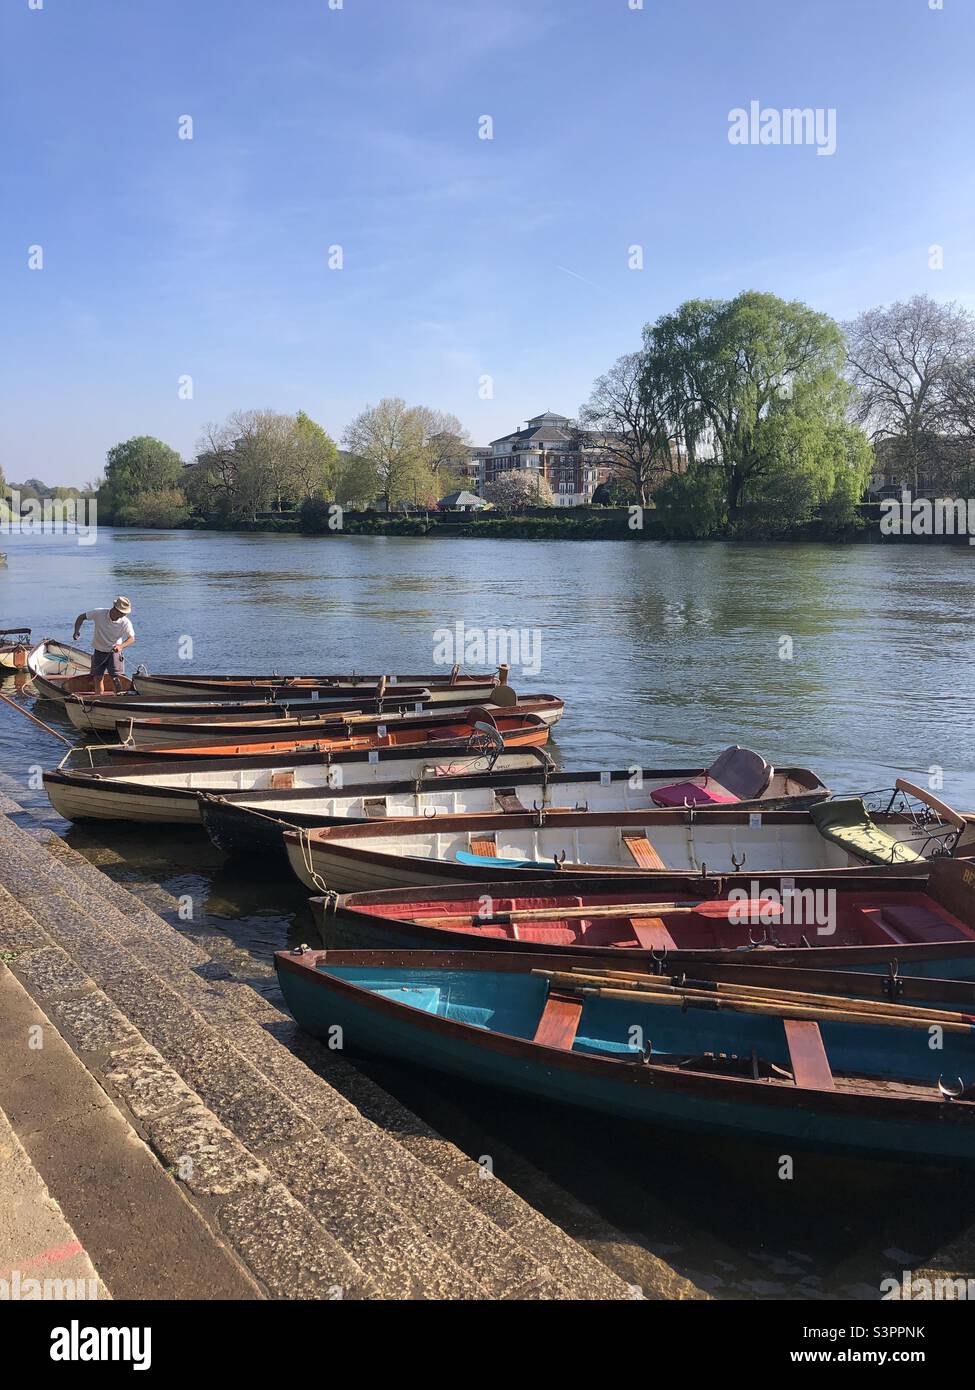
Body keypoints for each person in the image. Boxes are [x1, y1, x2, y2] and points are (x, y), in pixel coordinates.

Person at [72, 597, 136, 694]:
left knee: (115, 678)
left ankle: (118, 699)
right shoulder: (99, 613)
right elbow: (81, 617)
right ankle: (98, 699)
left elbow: (132, 638)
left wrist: (120, 646)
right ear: (115, 608)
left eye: (125, 613)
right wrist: (76, 631)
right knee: (98, 677)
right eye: (122, 612)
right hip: (99, 651)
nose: (124, 614)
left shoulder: (125, 622)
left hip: (114, 652)